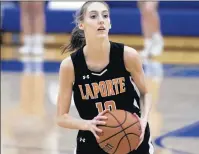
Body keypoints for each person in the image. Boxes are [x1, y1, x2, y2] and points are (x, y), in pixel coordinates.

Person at [56, 1, 153, 154]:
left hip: (132, 133)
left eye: (105, 16)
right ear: (82, 24)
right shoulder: (70, 66)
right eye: (93, 16)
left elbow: (145, 93)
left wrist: (144, 119)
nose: (101, 20)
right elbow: (61, 117)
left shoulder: (127, 55)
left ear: (110, 23)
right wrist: (88, 125)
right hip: (93, 138)